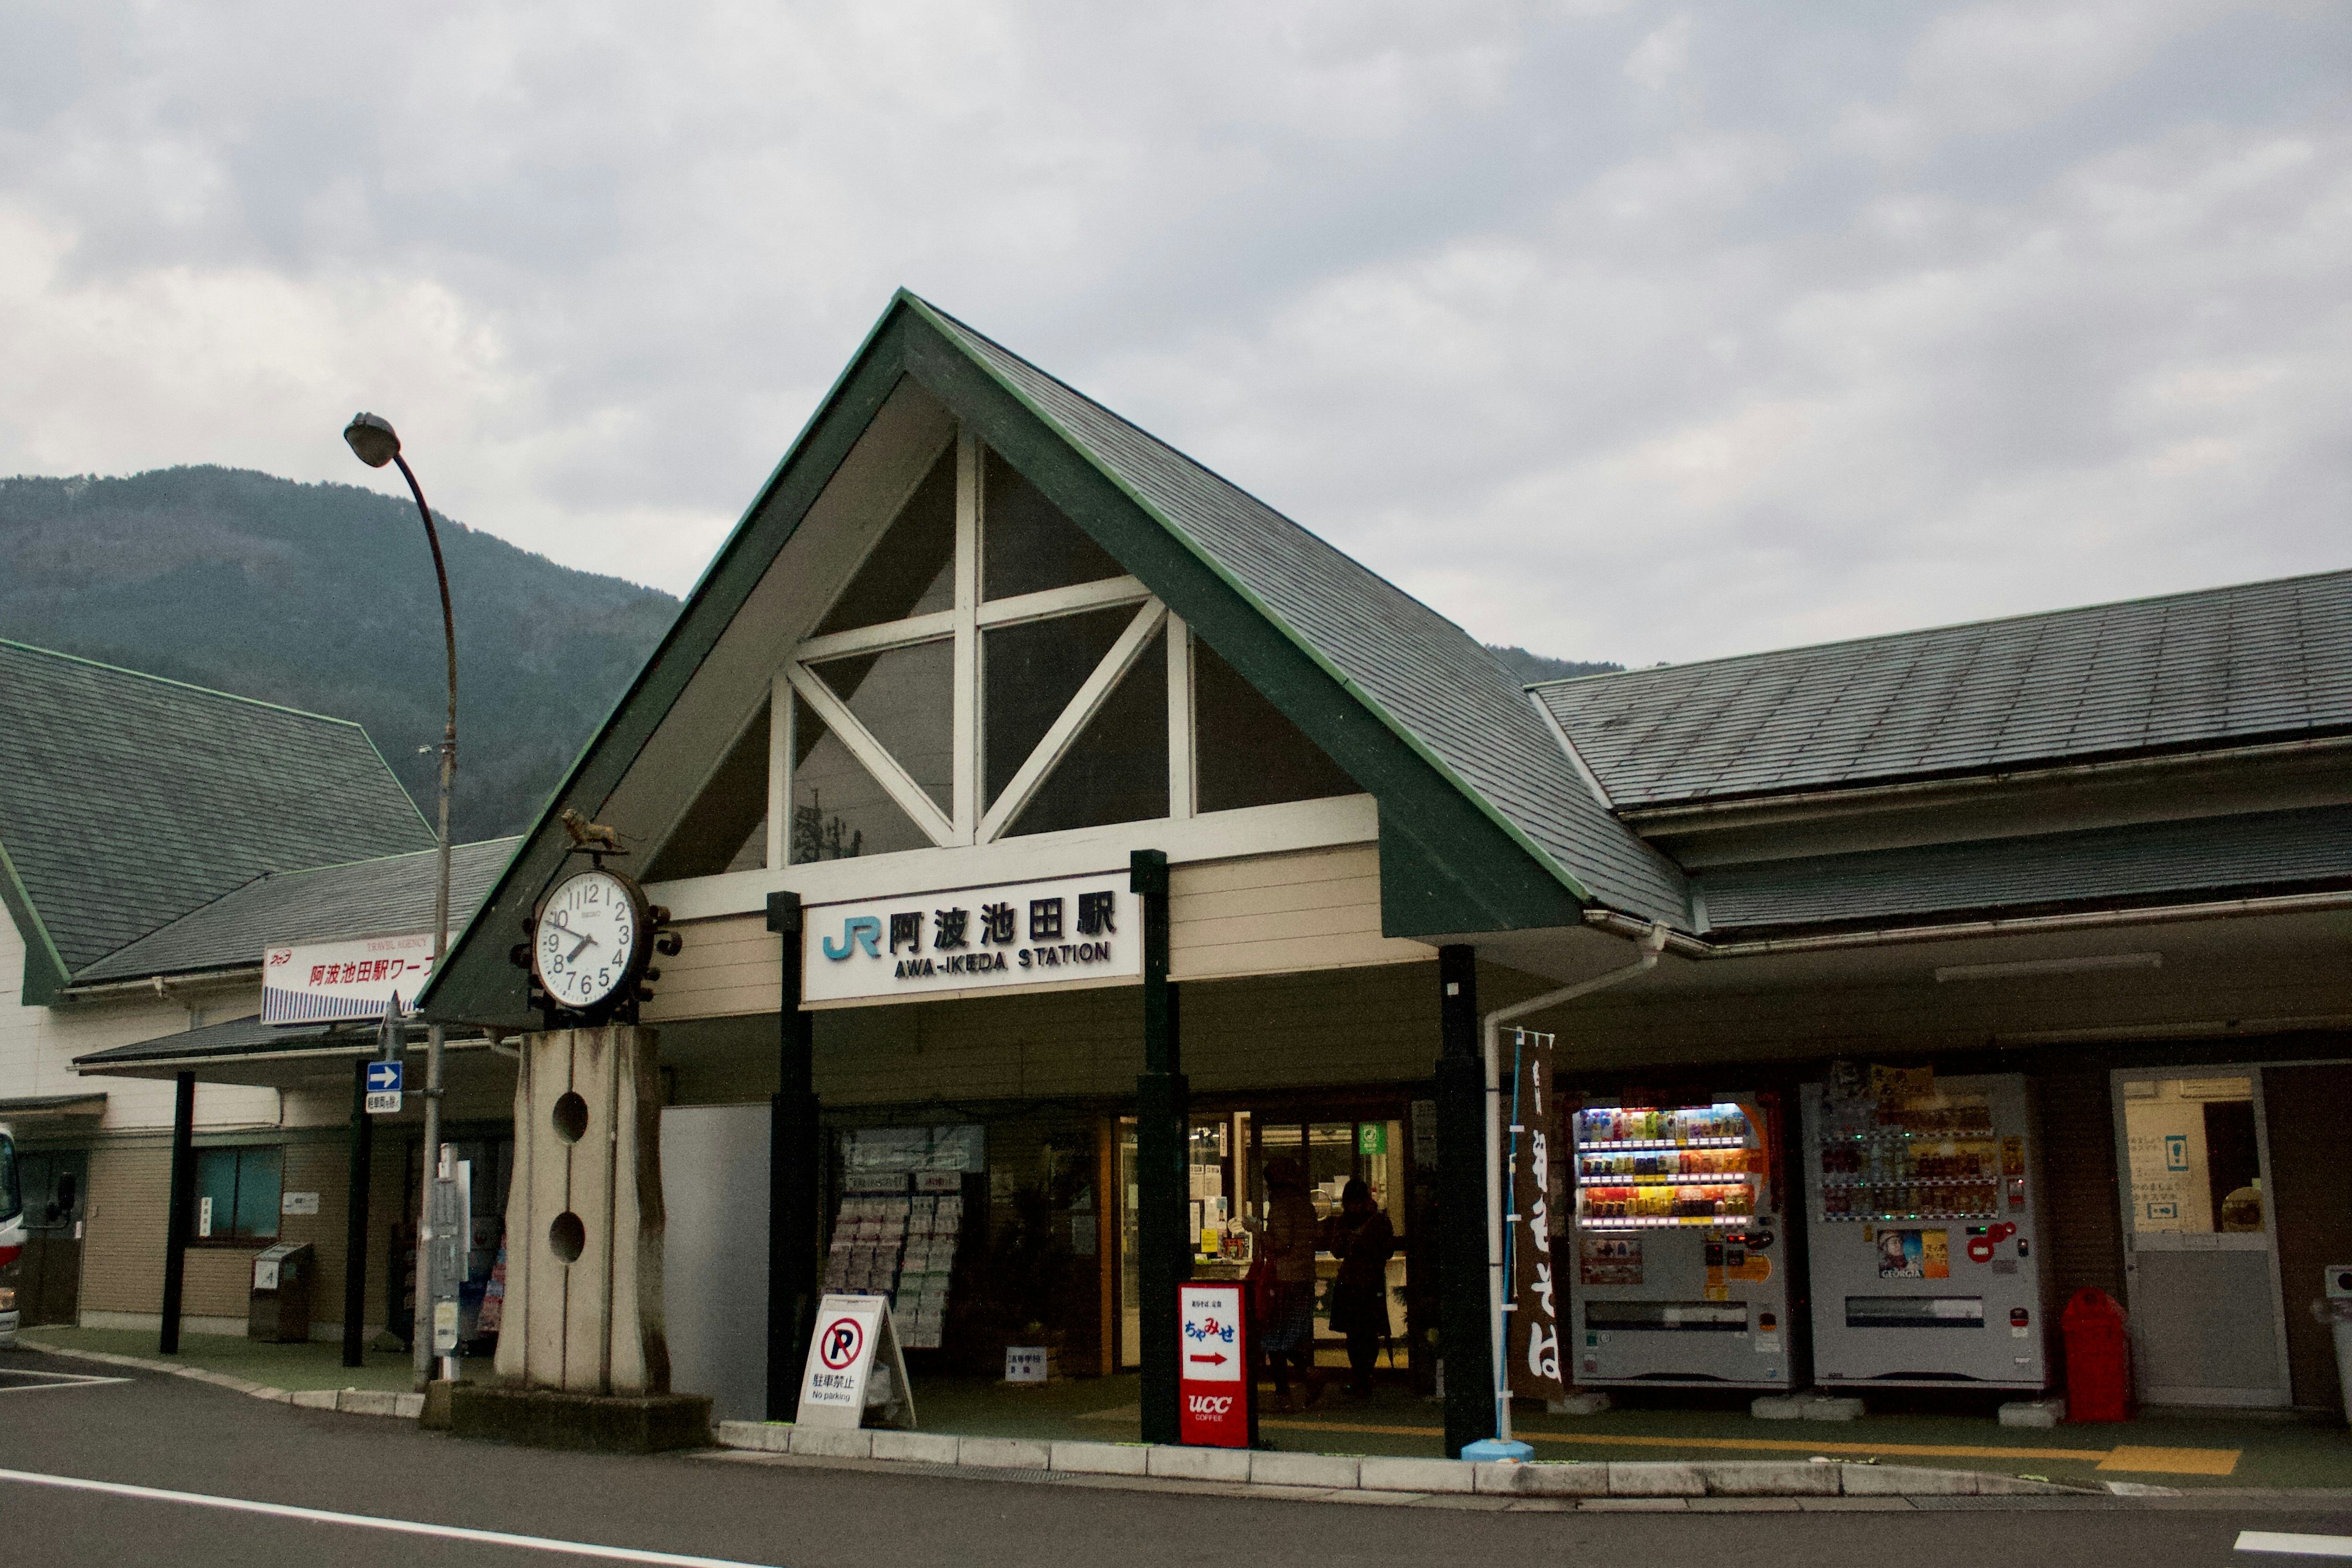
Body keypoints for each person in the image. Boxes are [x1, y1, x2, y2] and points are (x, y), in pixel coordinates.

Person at [1253, 1156, 1322, 1412]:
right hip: (1304, 1278)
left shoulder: (1281, 1207)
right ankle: (1307, 1375)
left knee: (1273, 1338)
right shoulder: (1306, 1206)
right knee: (1291, 1336)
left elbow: (1280, 1244)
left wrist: (1257, 1231)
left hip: (1283, 1281)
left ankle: (1288, 1390)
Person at [1323, 1178, 1395, 1398]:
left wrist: (1356, 1243)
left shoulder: (1370, 1221)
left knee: (1359, 1334)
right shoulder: (1376, 1220)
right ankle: (1362, 1376)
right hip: (1365, 1283)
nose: (1352, 1207)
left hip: (1356, 1283)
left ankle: (1362, 1377)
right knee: (1361, 1334)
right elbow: (1338, 1250)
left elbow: (1338, 1250)